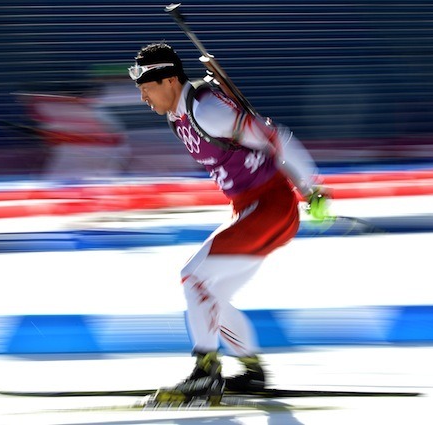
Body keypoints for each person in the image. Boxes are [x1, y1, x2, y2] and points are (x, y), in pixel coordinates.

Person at [128, 42, 330, 405]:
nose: (143, 98)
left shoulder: (207, 111)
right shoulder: (180, 114)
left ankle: (205, 374)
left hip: (269, 207)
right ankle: (251, 372)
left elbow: (274, 138)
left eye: (146, 89)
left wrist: (313, 189)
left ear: (170, 80)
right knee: (211, 297)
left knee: (193, 278)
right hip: (253, 211)